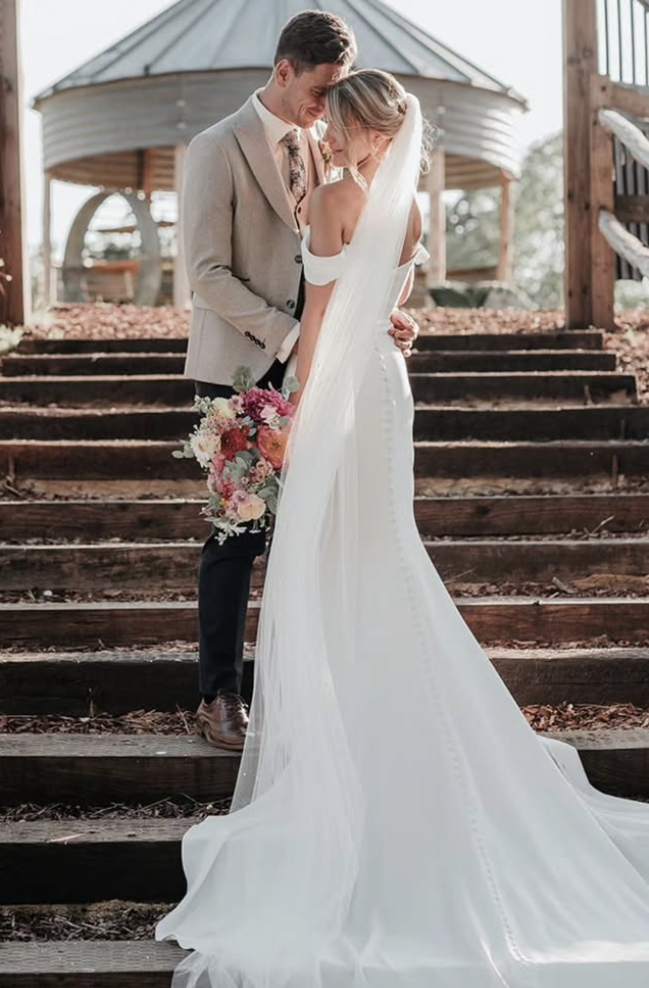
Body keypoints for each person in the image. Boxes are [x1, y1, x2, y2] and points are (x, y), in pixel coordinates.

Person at [158, 68, 649, 987]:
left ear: (363, 130)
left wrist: (287, 419)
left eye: (339, 120)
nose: (328, 130)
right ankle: (384, 717)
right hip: (385, 387)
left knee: (325, 559)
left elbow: (319, 312)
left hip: (340, 391)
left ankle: (353, 731)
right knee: (376, 552)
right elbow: (379, 309)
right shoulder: (408, 206)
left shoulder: (339, 197)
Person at [181, 11, 419, 750]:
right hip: (243, 368)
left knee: (315, 535)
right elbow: (206, 273)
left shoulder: (340, 155)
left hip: (331, 371)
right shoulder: (214, 148)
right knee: (236, 535)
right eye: (320, 92)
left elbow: (360, 259)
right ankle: (220, 694)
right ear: (283, 71)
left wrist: (378, 318)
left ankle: (303, 693)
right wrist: (292, 337)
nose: (327, 110)